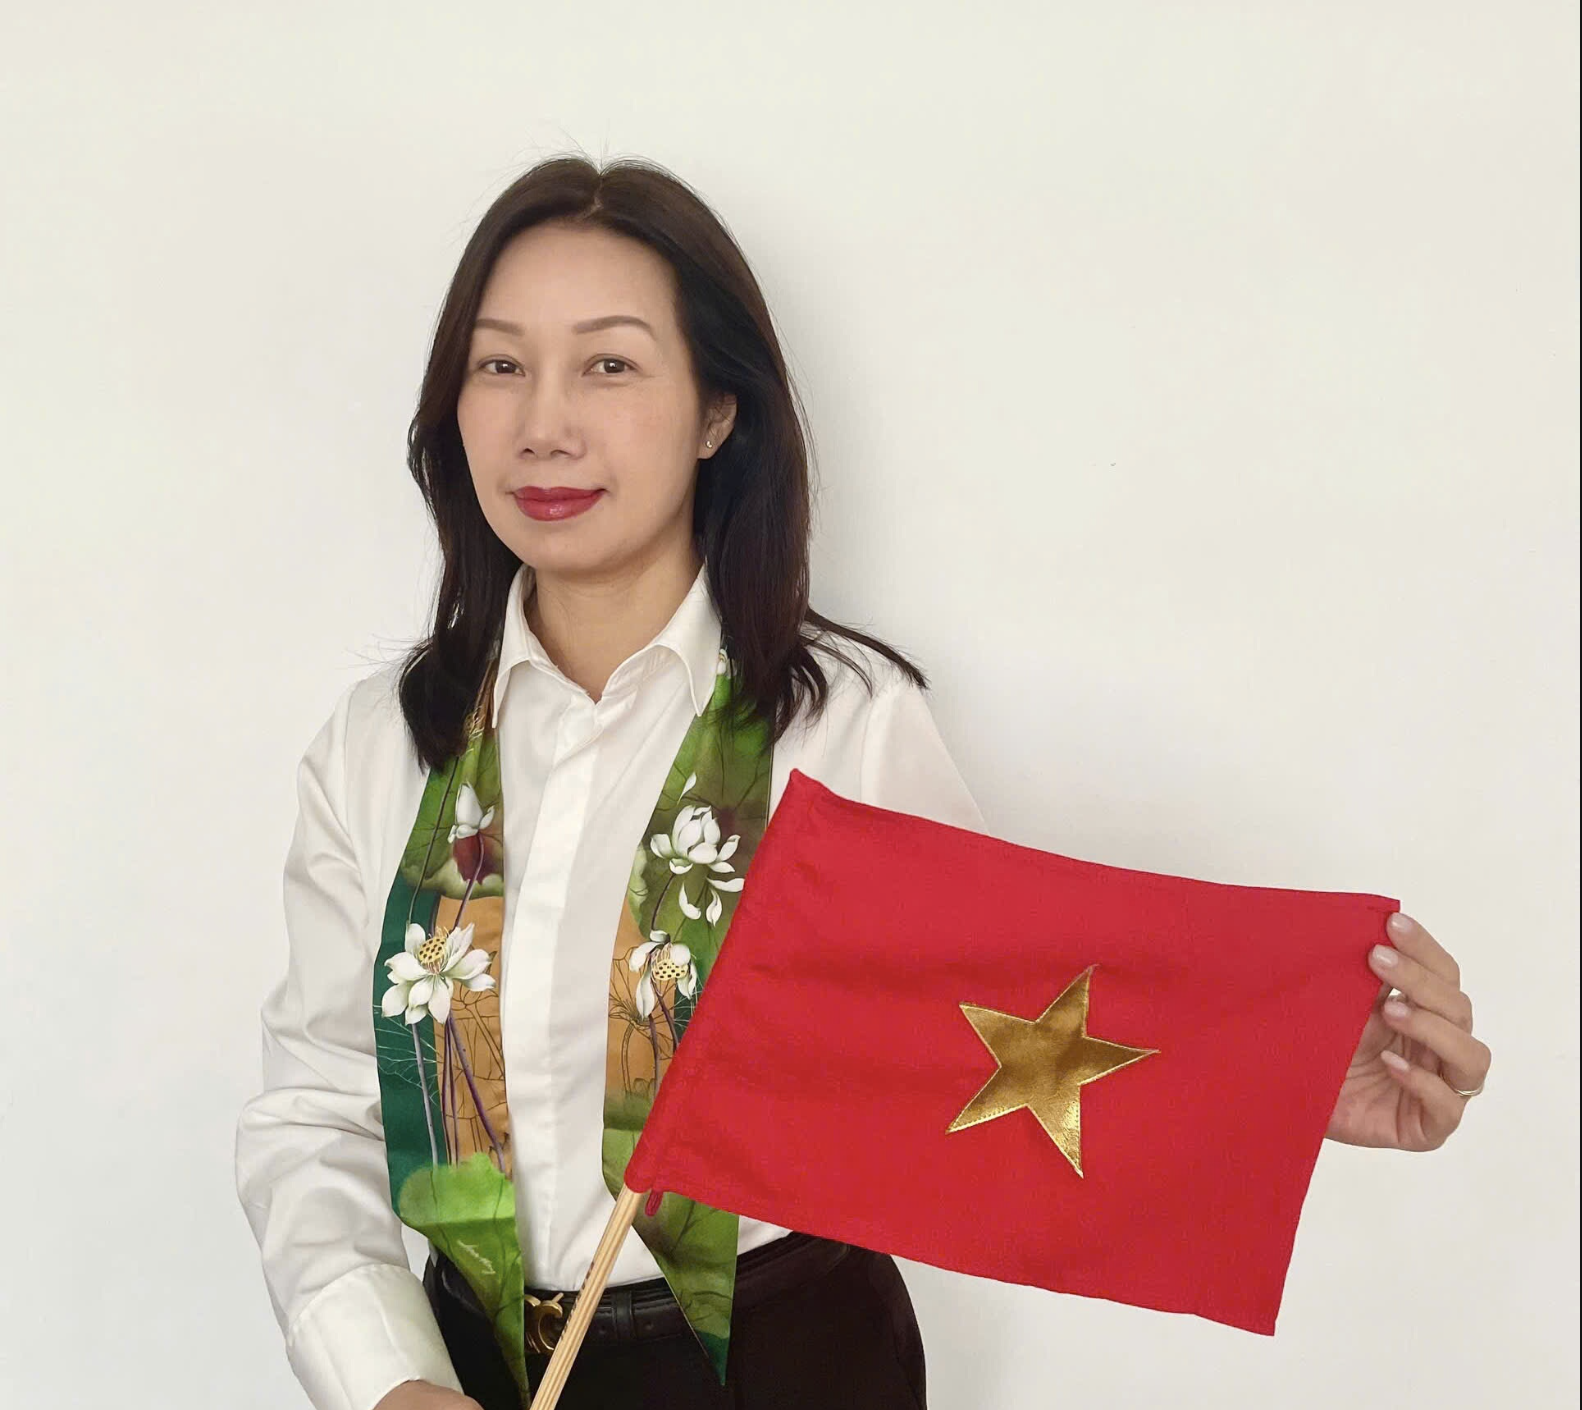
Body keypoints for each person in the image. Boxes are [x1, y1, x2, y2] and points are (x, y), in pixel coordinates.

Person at [235, 156, 1492, 1410]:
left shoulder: (838, 725)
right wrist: (387, 1384)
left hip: (786, 1368)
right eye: (499, 364)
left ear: (717, 412)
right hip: (467, 1375)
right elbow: (318, 1115)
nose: (544, 425)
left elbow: (994, 1034)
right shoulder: (383, 748)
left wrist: (1287, 1079)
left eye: (609, 364)